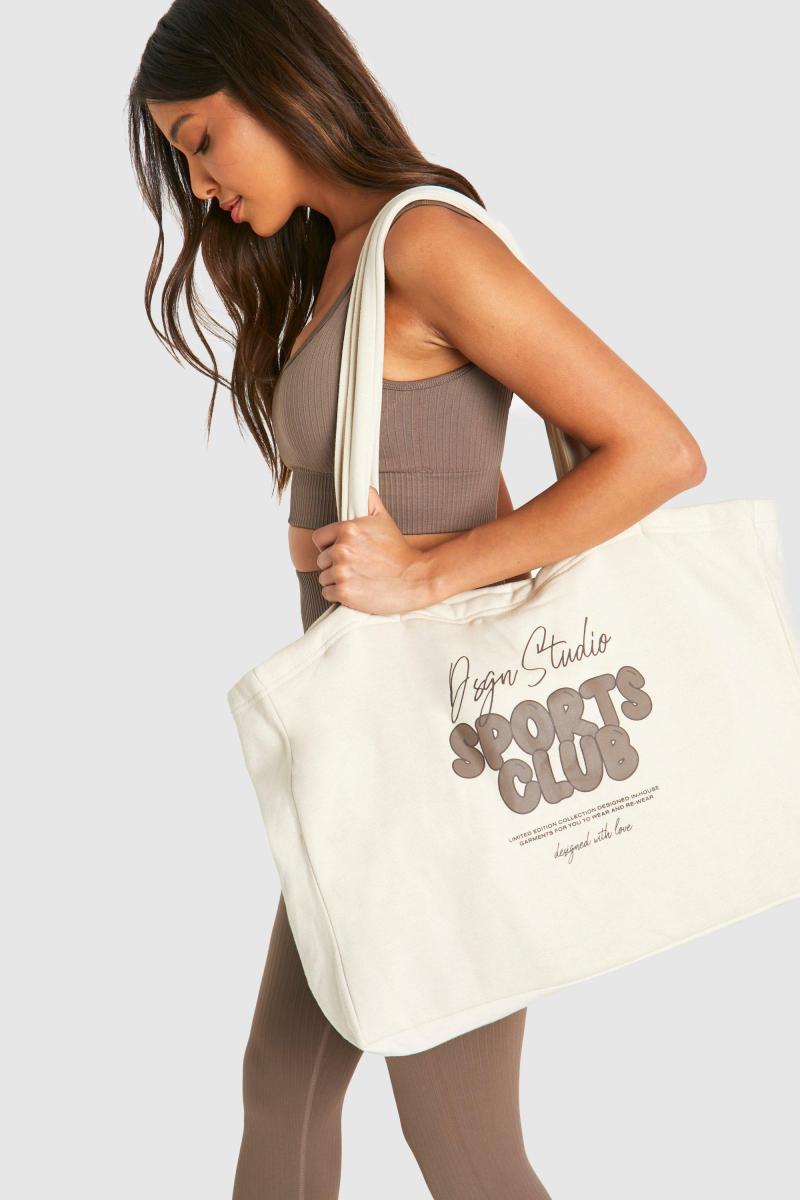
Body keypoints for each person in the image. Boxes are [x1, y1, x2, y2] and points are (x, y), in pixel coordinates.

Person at [129, 2, 706, 1195]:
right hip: (373, 746)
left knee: (458, 1138)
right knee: (283, 1084)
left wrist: (427, 573)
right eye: (180, 159)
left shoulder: (425, 241)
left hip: (440, 751)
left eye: (200, 140)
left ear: (278, 83)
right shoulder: (339, 259)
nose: (197, 185)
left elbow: (656, 451)